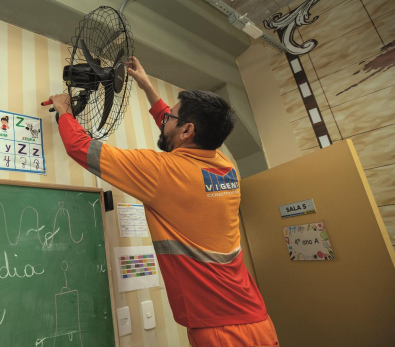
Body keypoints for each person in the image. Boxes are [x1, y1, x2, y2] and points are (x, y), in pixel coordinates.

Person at [47, 57, 279, 347]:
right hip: (257, 320)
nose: (165, 118)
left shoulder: (163, 172)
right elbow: (175, 132)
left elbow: (82, 148)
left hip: (220, 330)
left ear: (187, 131)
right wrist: (146, 86)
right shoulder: (223, 164)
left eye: (171, 117)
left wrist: (65, 112)